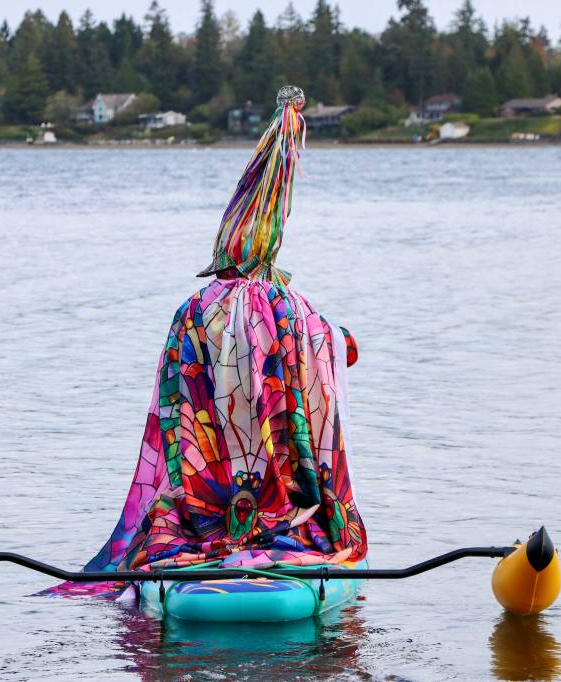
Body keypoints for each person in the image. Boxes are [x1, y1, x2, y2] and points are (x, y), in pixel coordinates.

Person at [43, 87, 367, 598]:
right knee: (281, 476)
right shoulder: (289, 307)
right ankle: (276, 530)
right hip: (274, 478)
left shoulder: (192, 309)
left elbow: (174, 394)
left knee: (204, 478)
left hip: (207, 478)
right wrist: (341, 343)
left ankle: (209, 536)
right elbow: (333, 348)